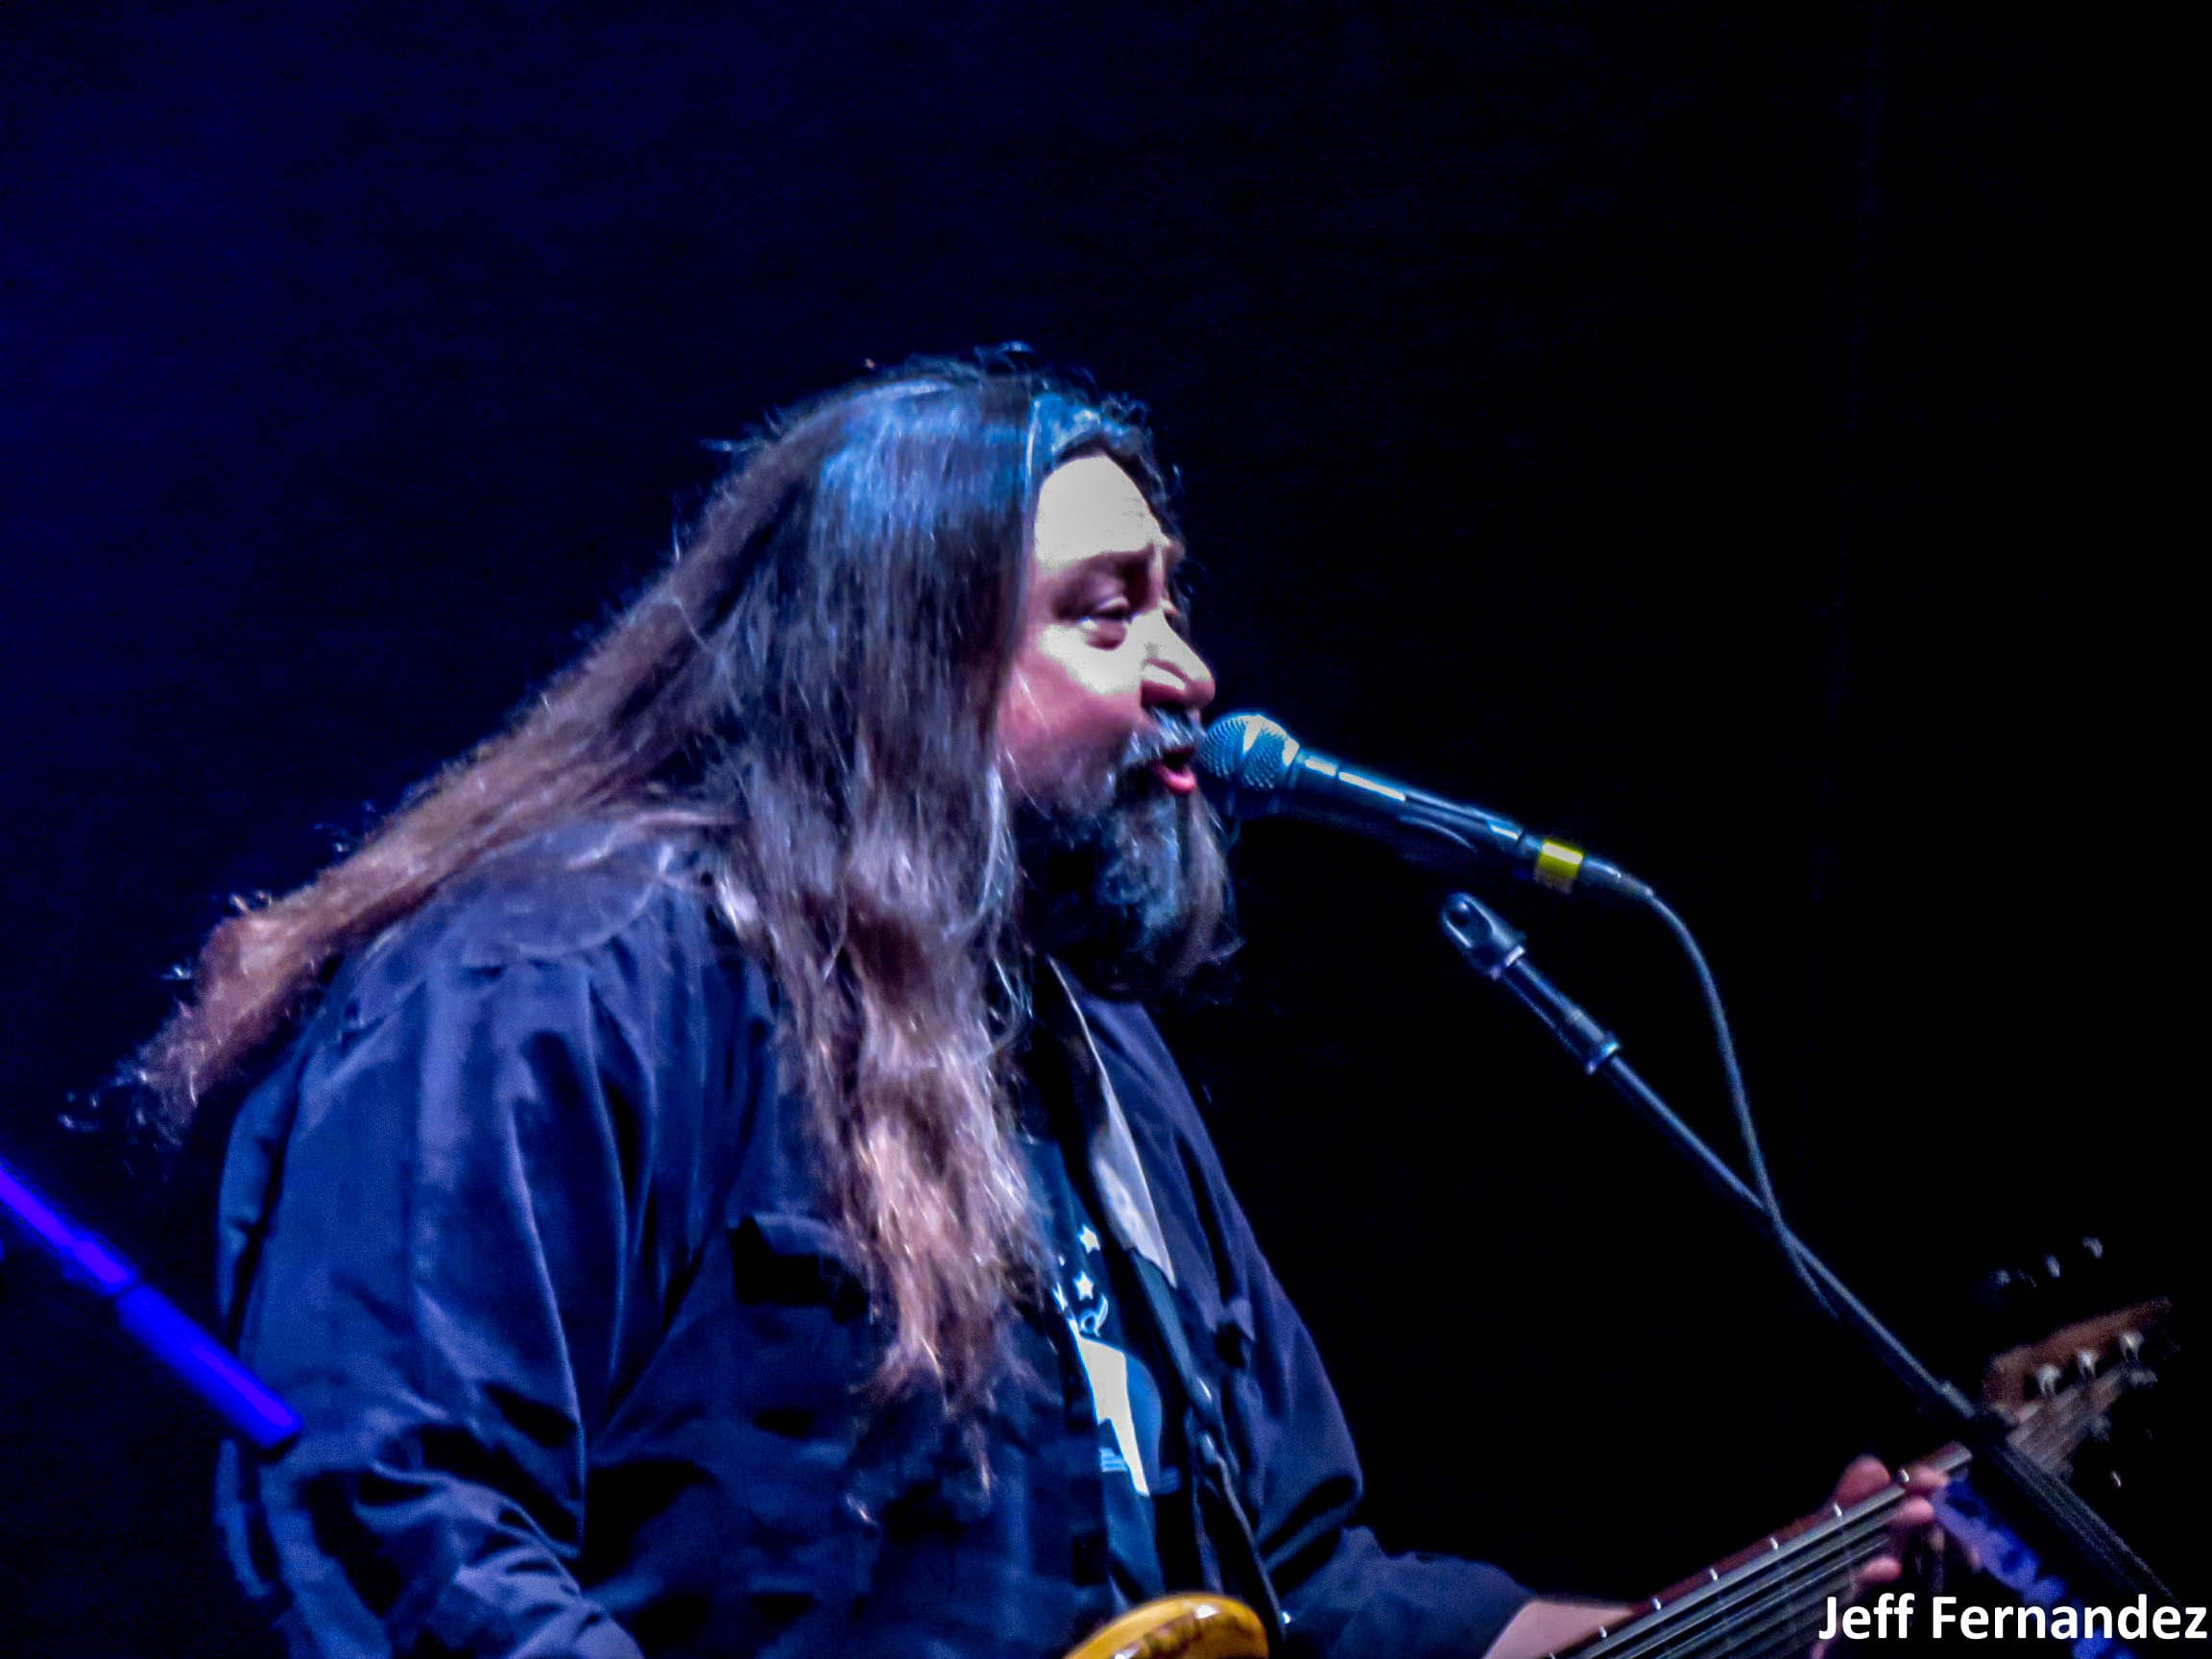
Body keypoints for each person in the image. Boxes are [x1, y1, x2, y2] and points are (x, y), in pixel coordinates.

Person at [137, 358, 1932, 1657]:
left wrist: (1775, 1624)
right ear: (905, 665)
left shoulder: (1094, 1064)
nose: (1188, 670)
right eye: (1105, 613)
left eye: (1172, 603)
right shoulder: (564, 972)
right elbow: (394, 1507)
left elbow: (1316, 1596)